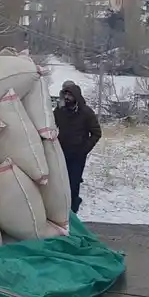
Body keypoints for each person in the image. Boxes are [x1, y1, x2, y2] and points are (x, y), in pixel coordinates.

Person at [54, 81, 102, 215]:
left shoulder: (86, 112)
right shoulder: (60, 111)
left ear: (76, 96)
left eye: (70, 95)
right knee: (60, 183)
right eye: (65, 95)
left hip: (78, 155)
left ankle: (72, 212)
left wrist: (84, 150)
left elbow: (97, 133)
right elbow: (51, 124)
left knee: (73, 185)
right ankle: (61, 210)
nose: (67, 98)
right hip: (61, 152)